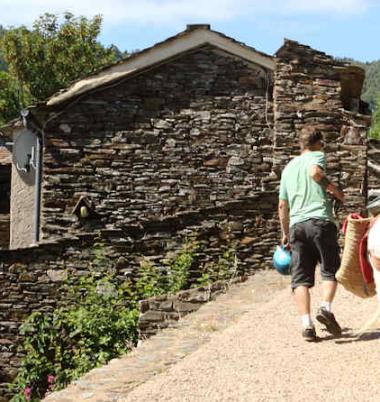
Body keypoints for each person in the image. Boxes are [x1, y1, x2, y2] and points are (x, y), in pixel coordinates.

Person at [278, 127, 344, 341]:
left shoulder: (287, 168)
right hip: (320, 221)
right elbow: (315, 173)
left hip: (296, 226)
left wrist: (285, 232)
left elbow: (282, 205)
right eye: (321, 144)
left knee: (300, 278)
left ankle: (306, 324)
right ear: (316, 144)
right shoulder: (317, 156)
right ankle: (325, 308)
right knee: (330, 269)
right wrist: (334, 190)